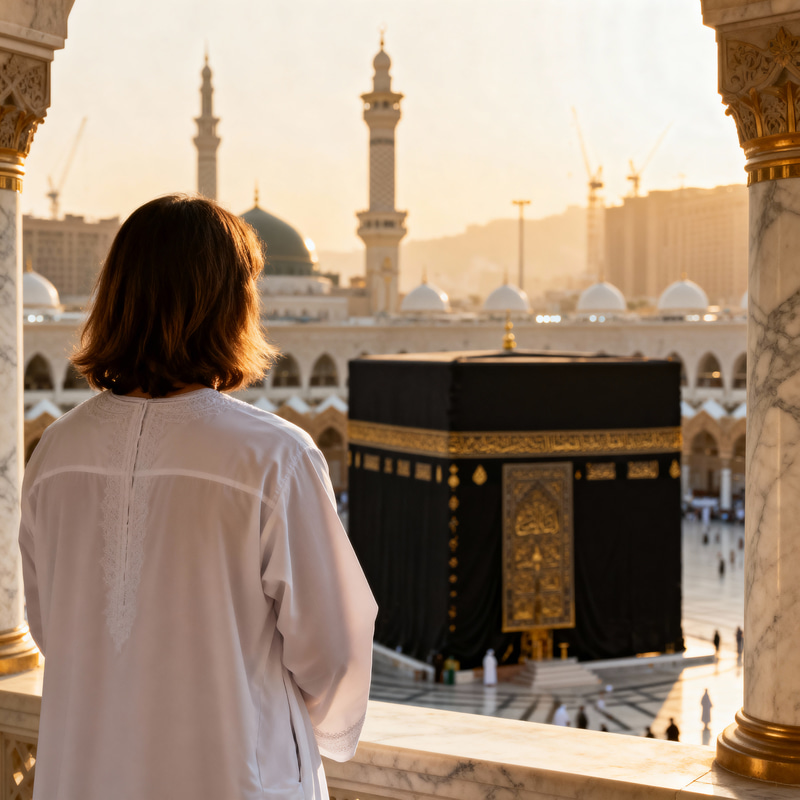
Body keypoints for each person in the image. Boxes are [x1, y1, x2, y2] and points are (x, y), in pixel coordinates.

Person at [18, 195, 378, 800]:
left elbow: (51, 626)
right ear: (231, 306)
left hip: (84, 774)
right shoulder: (274, 457)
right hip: (234, 777)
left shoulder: (56, 453)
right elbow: (336, 652)